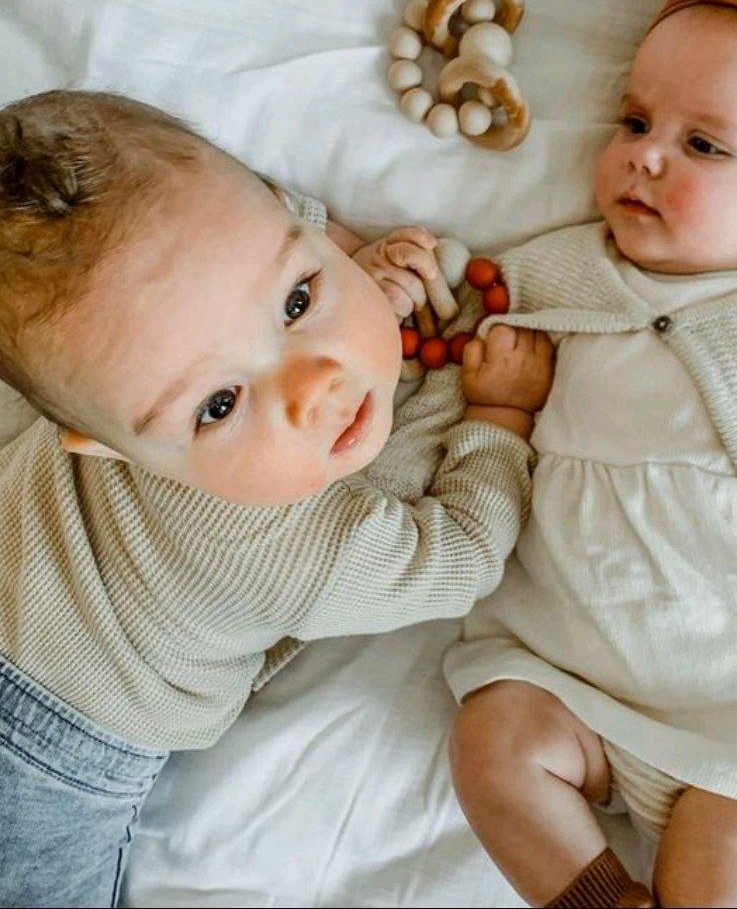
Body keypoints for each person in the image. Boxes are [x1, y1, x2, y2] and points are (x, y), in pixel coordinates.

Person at [0, 88, 554, 907]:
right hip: (44, 752)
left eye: (297, 300)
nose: (313, 386)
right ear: (110, 450)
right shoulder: (285, 544)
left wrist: (356, 268)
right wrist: (497, 419)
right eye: (219, 405)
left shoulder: (131, 370)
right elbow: (459, 556)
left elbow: (242, 233)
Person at [444, 0, 737, 908]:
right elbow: (441, 329)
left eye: (703, 145)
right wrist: (405, 281)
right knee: (488, 741)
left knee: (733, 857)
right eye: (635, 120)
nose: (644, 152)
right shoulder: (547, 276)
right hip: (566, 676)